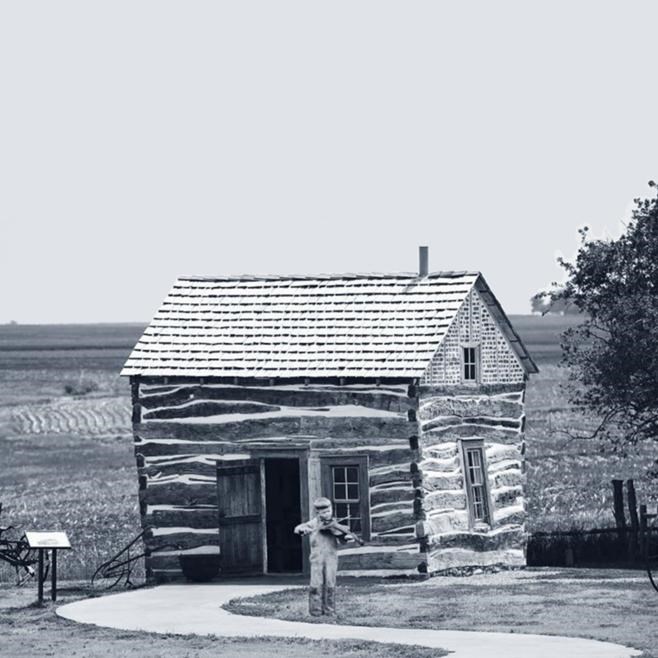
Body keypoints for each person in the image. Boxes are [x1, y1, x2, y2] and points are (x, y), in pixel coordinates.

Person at [293, 497, 362, 616]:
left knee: (330, 584)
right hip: (316, 558)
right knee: (316, 584)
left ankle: (329, 610)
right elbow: (297, 528)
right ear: (317, 513)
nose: (327, 514)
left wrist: (347, 537)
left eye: (329, 511)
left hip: (331, 558)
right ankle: (315, 611)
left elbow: (341, 536)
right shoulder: (313, 523)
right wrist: (302, 530)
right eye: (324, 512)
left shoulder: (334, 525)